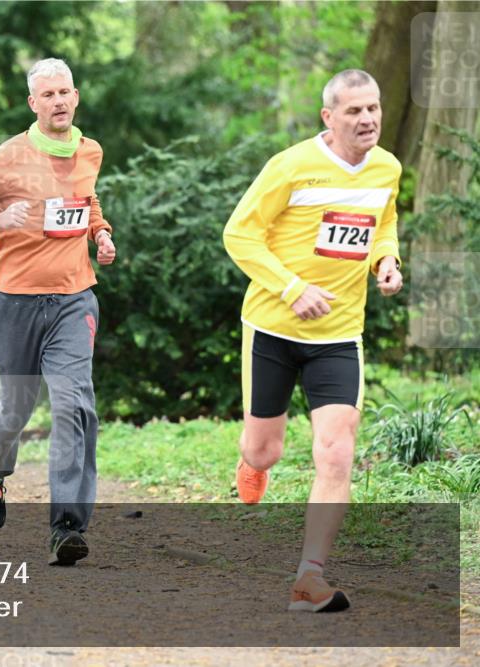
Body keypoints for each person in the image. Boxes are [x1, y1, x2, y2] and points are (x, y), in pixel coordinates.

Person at [223, 69, 403, 612]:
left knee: (337, 450)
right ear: (329, 117)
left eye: (373, 108)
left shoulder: (388, 167)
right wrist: (292, 287)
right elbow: (239, 234)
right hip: (273, 328)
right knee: (265, 449)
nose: (367, 119)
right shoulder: (291, 166)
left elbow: (383, 221)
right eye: (354, 111)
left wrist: (386, 260)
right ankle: (252, 462)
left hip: (339, 334)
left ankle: (310, 577)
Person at [0, 58, 116, 565]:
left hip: (73, 298)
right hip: (15, 302)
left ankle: (67, 526)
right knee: (15, 410)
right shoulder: (9, 156)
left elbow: (87, 202)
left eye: (65, 92)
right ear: (33, 103)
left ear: (76, 97)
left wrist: (101, 233)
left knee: (73, 403)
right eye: (48, 95)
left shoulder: (90, 151)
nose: (58, 101)